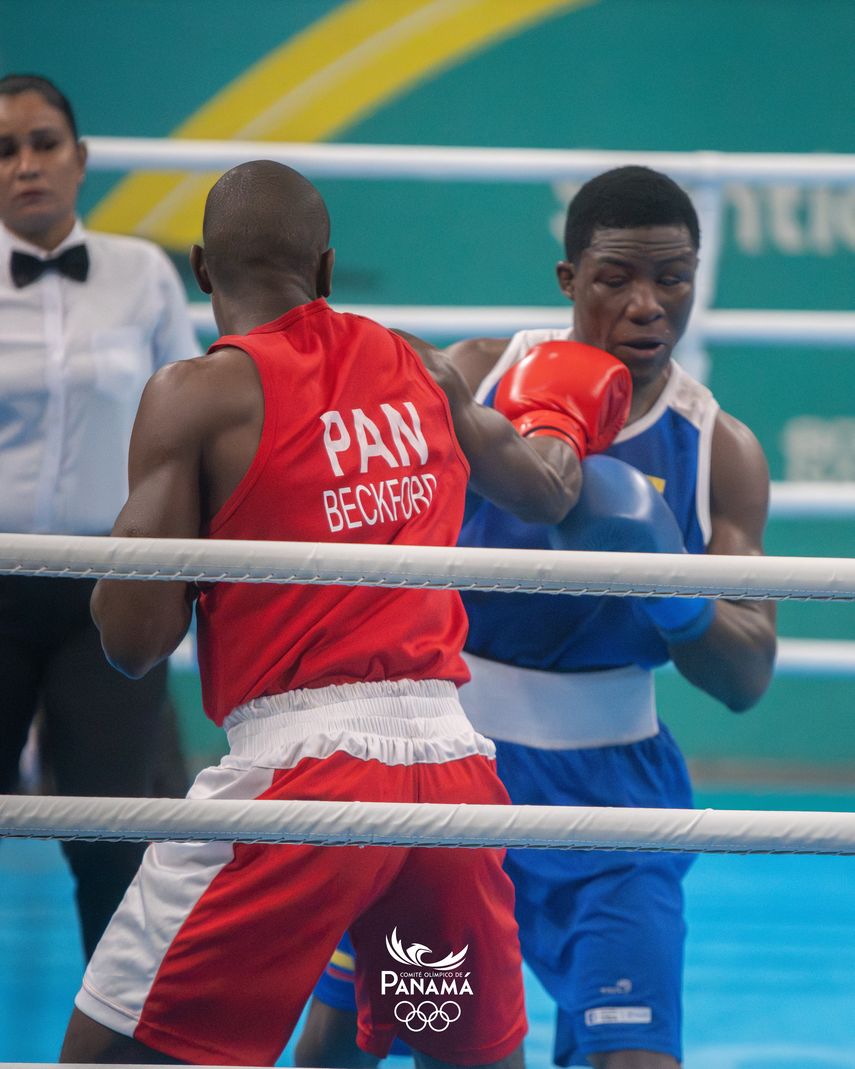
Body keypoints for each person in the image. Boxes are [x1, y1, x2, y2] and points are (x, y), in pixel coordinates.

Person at [59, 159, 633, 1066]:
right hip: (448, 789)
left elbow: (133, 643)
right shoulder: (424, 368)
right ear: (326, 271)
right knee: (460, 1055)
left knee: (110, 1055)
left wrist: (123, 547)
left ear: (202, 270)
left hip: (303, 787)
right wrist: (562, 410)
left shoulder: (197, 395)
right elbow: (547, 492)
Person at [296, 165, 777, 1069]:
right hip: (449, 765)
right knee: (344, 1041)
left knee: (634, 1060)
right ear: (568, 280)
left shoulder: (721, 446)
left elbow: (748, 676)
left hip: (614, 803)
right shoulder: (481, 377)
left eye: (672, 279)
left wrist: (670, 587)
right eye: (616, 280)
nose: (647, 306)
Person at [0, 73, 196, 960]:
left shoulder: (143, 274)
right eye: (4, 151)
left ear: (80, 160)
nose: (25, 165)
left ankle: (117, 1048)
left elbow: (191, 424)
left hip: (108, 590)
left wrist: (192, 572)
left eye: (42, 144)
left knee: (114, 834)